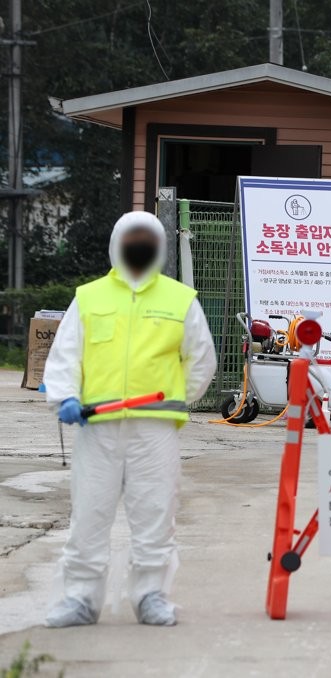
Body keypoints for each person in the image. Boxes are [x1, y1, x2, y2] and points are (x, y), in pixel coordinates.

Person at [43, 211, 216, 627]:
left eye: (146, 238)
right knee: (88, 513)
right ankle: (80, 599)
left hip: (154, 429)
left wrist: (176, 399)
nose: (139, 244)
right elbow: (66, 354)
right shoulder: (89, 297)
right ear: (117, 243)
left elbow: (201, 360)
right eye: (132, 237)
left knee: (155, 512)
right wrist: (64, 398)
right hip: (96, 426)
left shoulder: (180, 299)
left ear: (158, 246)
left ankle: (151, 596)